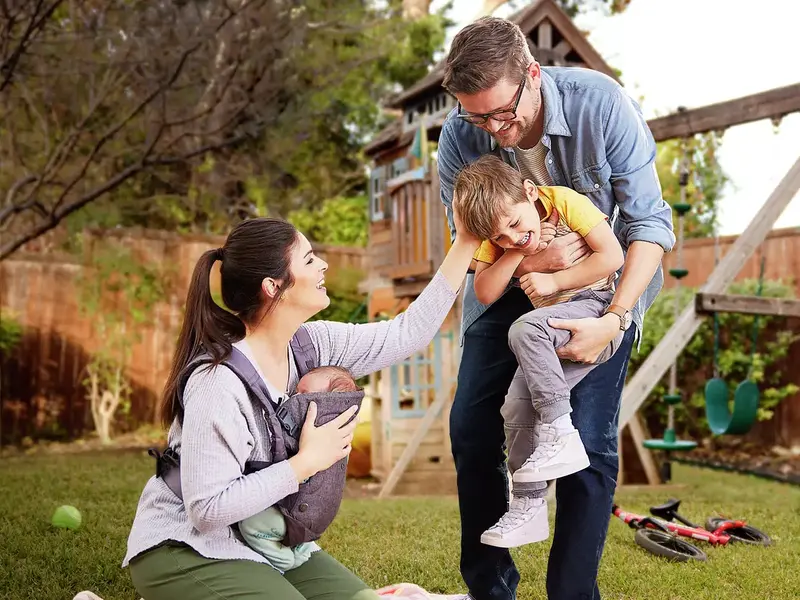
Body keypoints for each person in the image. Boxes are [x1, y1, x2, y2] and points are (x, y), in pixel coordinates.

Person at [437, 16, 675, 600]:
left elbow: (647, 224)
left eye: (503, 111)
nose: (494, 129)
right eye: (478, 117)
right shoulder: (459, 137)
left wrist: (613, 319)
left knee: (587, 440)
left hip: (603, 286)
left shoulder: (601, 104)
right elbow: (471, 257)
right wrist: (533, 266)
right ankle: (490, 591)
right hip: (513, 286)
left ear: (533, 75)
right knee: (471, 427)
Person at [123, 216, 480, 600]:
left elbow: (405, 334)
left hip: (269, 543)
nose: (324, 264)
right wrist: (306, 462)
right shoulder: (217, 382)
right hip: (187, 546)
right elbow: (206, 510)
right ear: (273, 286)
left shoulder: (313, 344)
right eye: (309, 259)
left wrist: (465, 242)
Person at [452, 155, 625, 549]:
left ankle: (560, 431)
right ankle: (528, 509)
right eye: (499, 238)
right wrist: (518, 254)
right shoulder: (501, 239)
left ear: (530, 192)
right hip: (552, 335)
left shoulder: (563, 201)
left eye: (515, 224)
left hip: (593, 310)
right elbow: (484, 291)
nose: (512, 236)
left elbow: (611, 256)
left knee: (525, 327)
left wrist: (554, 281)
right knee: (515, 410)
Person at [237, 366, 361, 573]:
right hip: (319, 518)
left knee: (251, 524)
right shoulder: (340, 436)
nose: (294, 396)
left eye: (304, 394)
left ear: (328, 400)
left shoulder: (307, 426)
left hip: (293, 513)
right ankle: (301, 549)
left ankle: (281, 561)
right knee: (299, 532)